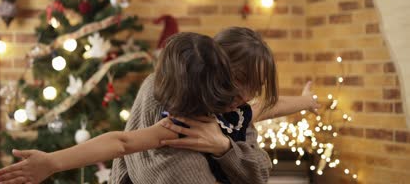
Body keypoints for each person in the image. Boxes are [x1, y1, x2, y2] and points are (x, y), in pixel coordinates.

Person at [0, 32, 240, 184]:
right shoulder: (230, 112)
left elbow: (121, 142)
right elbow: (265, 107)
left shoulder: (175, 127)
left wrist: (53, 162)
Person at [111, 27, 318, 184]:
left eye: (256, 86)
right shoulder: (165, 93)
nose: (246, 95)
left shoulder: (237, 115)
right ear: (214, 65)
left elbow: (261, 169)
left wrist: (225, 148)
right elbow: (128, 147)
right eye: (239, 79)